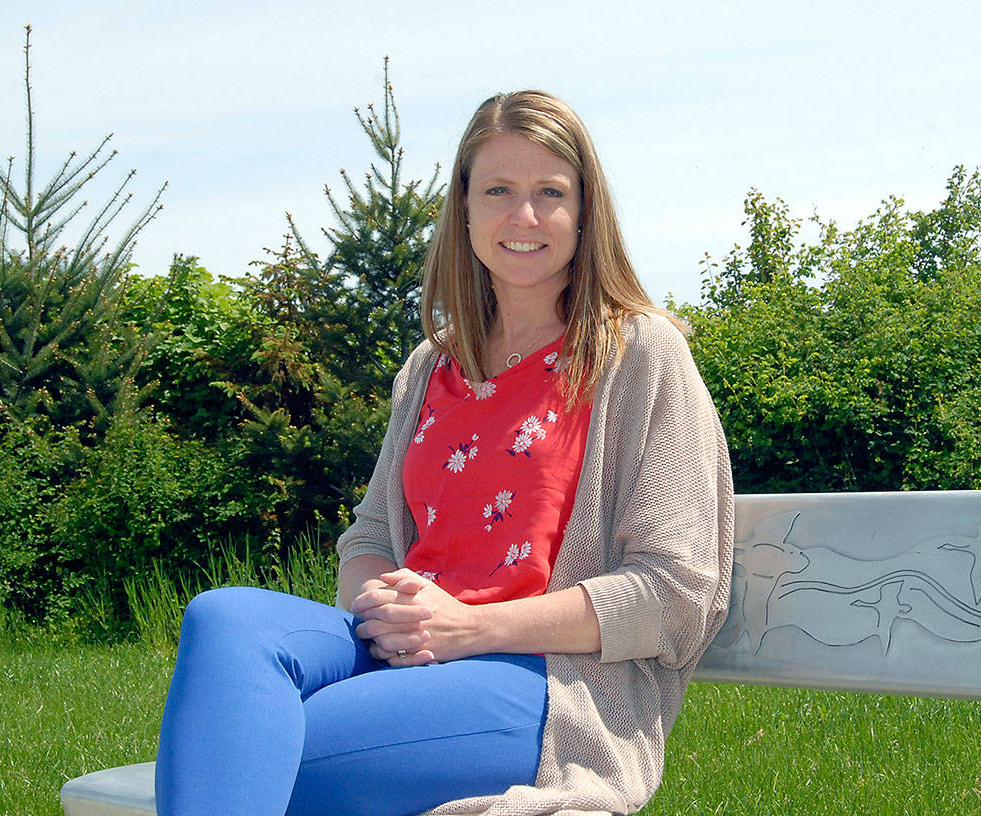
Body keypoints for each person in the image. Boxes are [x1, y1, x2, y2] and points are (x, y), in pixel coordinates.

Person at [154, 89, 734, 816]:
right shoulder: (432, 366)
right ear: (463, 208)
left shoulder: (640, 354)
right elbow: (369, 537)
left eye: (550, 193)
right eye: (498, 190)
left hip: (543, 681)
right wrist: (388, 609)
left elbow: (676, 594)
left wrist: (470, 626)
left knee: (249, 748)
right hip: (412, 656)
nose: (524, 216)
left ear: (586, 212)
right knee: (224, 618)